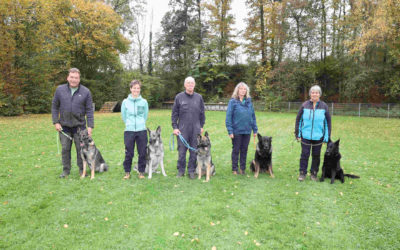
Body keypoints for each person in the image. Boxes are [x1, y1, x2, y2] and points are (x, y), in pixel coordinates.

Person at [52, 68, 94, 178]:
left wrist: (90, 126)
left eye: (76, 78)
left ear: (79, 79)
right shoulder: (60, 90)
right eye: (72, 77)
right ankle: (66, 171)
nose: (73, 79)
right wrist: (56, 122)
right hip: (64, 127)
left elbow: (89, 110)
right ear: (68, 78)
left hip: (80, 127)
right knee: (65, 149)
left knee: (81, 150)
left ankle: (82, 171)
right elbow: (54, 107)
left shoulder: (86, 92)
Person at [295, 85, 331, 181]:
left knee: (316, 156)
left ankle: (314, 173)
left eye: (317, 92)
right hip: (305, 135)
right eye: (313, 92)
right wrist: (298, 134)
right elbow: (298, 120)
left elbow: (328, 122)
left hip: (318, 136)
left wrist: (326, 137)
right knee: (304, 155)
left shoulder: (324, 106)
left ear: (319, 94)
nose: (314, 94)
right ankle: (302, 173)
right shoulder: (304, 105)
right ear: (310, 94)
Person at [171, 76, 205, 179]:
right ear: (185, 85)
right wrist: (175, 127)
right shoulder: (179, 97)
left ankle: (191, 170)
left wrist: (201, 126)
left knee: (194, 151)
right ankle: (181, 171)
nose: (190, 85)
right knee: (182, 151)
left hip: (195, 129)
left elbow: (202, 113)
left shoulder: (199, 97)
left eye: (192, 83)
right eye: (188, 83)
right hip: (182, 129)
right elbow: (174, 114)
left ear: (194, 85)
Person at [225, 82, 258, 175]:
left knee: (244, 150)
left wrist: (255, 129)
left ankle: (242, 169)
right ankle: (235, 169)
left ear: (246, 91)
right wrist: (230, 131)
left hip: (247, 131)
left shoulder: (249, 102)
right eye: (241, 89)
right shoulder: (232, 102)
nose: (243, 90)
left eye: (244, 89)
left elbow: (253, 116)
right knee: (236, 150)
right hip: (236, 131)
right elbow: (228, 117)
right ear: (237, 90)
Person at [121, 80, 149, 179]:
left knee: (142, 152)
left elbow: (145, 115)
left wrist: (141, 123)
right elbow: (124, 116)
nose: (136, 90)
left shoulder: (144, 102)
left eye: (138, 88)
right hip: (129, 130)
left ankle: (141, 172)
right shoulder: (125, 102)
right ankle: (127, 172)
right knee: (129, 152)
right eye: (134, 88)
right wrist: (129, 124)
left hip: (142, 130)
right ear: (130, 89)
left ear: (140, 89)